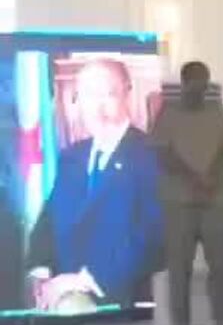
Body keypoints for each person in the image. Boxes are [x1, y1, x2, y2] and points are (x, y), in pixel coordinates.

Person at [27, 57, 165, 310]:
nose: (97, 106)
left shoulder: (152, 155)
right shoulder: (72, 156)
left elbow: (153, 236)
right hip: (63, 297)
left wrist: (85, 280)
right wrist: (41, 272)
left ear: (127, 94)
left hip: (122, 301)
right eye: (89, 95)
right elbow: (50, 218)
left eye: (108, 94)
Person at [149, 61, 223, 325]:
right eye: (196, 83)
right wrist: (193, 177)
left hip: (215, 200)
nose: (201, 89)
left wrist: (212, 175)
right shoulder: (169, 112)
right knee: (179, 265)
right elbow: (163, 153)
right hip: (179, 201)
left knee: (221, 264)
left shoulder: (217, 110)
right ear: (185, 83)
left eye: (205, 83)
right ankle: (180, 324)